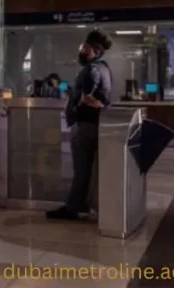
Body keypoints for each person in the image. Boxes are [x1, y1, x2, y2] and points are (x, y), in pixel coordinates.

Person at [47, 30, 113, 221]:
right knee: (87, 169)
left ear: (96, 52)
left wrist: (82, 101)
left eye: (86, 49)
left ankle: (74, 207)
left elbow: (89, 96)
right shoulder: (105, 68)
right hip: (94, 124)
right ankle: (82, 203)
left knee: (81, 168)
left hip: (84, 125)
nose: (82, 52)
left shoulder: (91, 70)